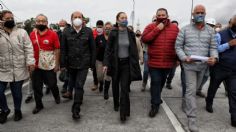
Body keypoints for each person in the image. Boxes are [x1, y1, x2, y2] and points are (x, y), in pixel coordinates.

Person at [175, 5, 218, 131]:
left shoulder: (211, 31)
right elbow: (178, 46)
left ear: (205, 14)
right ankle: (191, 119)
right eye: (197, 12)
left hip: (203, 66)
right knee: (191, 91)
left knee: (192, 91)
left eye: (202, 12)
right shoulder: (185, 30)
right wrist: (184, 58)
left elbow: (213, 47)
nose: (200, 14)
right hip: (189, 66)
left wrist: (214, 58)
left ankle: (185, 102)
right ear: (193, 15)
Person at [103, 12, 142, 122]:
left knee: (124, 88)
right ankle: (116, 103)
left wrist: (136, 63)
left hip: (126, 65)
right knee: (115, 85)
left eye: (125, 18)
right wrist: (105, 63)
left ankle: (123, 112)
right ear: (117, 20)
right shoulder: (113, 33)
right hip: (115, 64)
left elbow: (134, 50)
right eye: (122, 18)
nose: (124, 19)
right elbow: (108, 49)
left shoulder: (131, 33)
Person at [142, 8, 179, 118]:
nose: (161, 16)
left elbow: (178, 44)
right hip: (154, 62)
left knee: (161, 83)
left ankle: (157, 97)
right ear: (156, 15)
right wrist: (157, 29)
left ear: (167, 15)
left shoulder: (175, 28)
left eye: (163, 15)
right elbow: (144, 39)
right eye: (159, 15)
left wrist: (177, 59)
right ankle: (155, 105)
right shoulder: (151, 26)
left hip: (168, 62)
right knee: (155, 82)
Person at [0, 10, 35, 123]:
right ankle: (5, 110)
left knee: (17, 93)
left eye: (11, 18)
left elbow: (28, 48)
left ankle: (17, 110)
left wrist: (30, 62)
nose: (10, 20)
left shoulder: (22, 32)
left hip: (19, 67)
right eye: (7, 19)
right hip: (2, 68)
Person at [60, 11, 96, 120]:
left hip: (83, 64)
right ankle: (77, 97)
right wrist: (63, 64)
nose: (77, 18)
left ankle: (76, 108)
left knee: (79, 85)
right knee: (74, 84)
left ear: (83, 19)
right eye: (75, 17)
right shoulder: (66, 32)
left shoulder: (88, 31)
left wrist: (92, 63)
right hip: (70, 64)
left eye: (79, 17)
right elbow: (63, 50)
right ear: (71, 19)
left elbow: (93, 49)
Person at [205, 15, 236, 127]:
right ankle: (209, 102)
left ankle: (234, 117)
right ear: (231, 23)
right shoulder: (220, 34)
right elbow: (214, 49)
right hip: (220, 68)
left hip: (233, 71)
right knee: (213, 87)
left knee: (233, 93)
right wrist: (228, 44)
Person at [30, 14, 61, 114]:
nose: (41, 23)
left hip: (49, 65)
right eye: (38, 21)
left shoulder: (53, 34)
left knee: (52, 84)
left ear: (47, 23)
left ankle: (56, 95)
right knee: (36, 87)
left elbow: (57, 49)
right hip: (36, 65)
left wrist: (57, 64)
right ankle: (39, 105)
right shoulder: (32, 34)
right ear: (36, 22)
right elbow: (29, 50)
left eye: (43, 21)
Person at [95, 21, 113, 100]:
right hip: (99, 60)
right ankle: (101, 83)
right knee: (99, 77)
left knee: (108, 77)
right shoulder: (99, 38)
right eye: (106, 28)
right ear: (103, 28)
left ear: (111, 29)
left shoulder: (113, 38)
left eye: (109, 28)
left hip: (109, 61)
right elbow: (94, 49)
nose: (107, 30)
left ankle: (106, 92)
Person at [165, 20, 179, 90]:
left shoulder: (180, 35)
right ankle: (163, 80)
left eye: (176, 25)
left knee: (172, 73)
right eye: (173, 25)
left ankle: (168, 83)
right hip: (167, 57)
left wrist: (178, 59)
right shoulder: (167, 34)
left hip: (175, 58)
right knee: (165, 72)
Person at [90, 20, 104, 91]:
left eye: (101, 27)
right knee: (94, 71)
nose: (99, 28)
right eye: (98, 27)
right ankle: (95, 84)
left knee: (101, 72)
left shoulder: (105, 33)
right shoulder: (93, 33)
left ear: (103, 26)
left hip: (103, 56)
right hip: (94, 55)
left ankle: (101, 83)